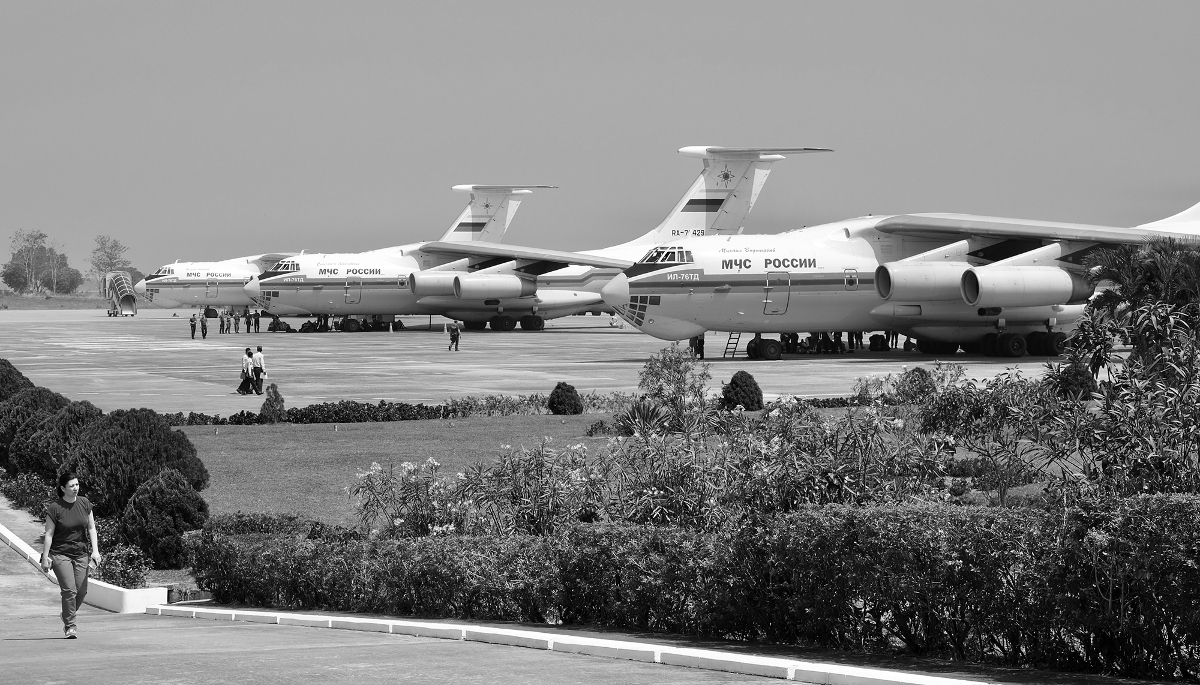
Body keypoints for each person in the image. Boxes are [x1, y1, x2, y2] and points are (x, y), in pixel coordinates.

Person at [41, 471, 100, 639]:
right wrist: (45, 557)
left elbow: (91, 528)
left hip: (81, 553)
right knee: (69, 591)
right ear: (63, 488)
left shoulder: (84, 503)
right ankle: (70, 626)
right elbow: (49, 534)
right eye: (72, 486)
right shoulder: (55, 508)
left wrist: (95, 551)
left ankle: (66, 614)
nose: (76, 488)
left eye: (77, 484)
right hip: (60, 554)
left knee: (81, 592)